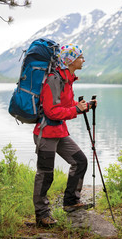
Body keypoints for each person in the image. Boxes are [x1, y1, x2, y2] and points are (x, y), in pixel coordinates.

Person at [33, 44, 96, 227]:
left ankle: (70, 202)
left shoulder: (67, 79)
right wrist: (76, 109)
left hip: (59, 132)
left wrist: (86, 105)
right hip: (46, 134)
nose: (83, 59)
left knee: (80, 161)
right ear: (70, 60)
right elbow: (51, 111)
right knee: (45, 175)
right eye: (81, 56)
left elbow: (66, 106)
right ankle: (42, 215)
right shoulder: (54, 79)